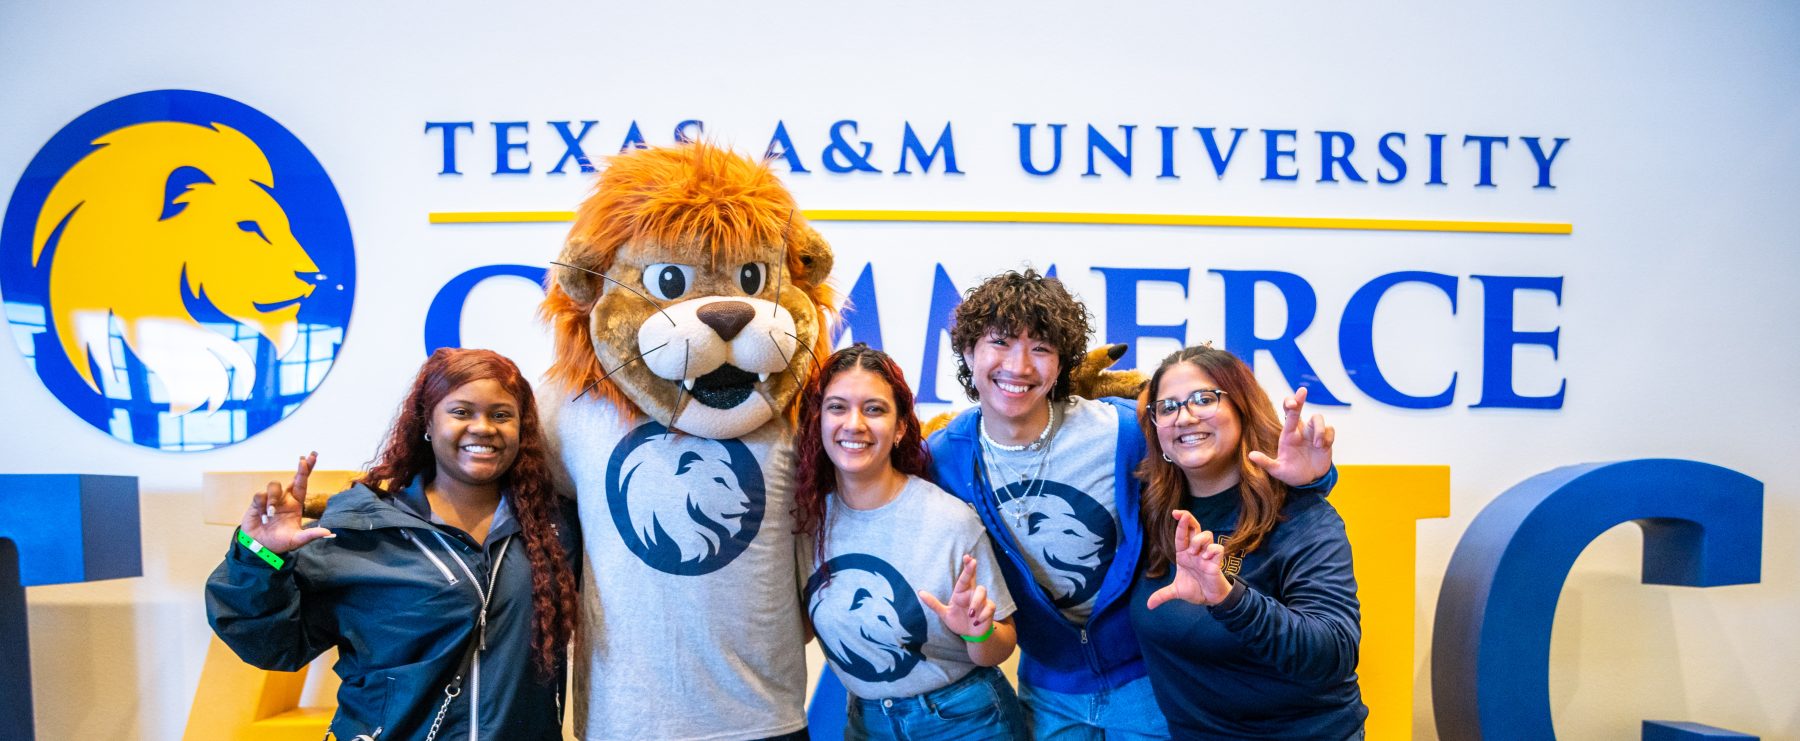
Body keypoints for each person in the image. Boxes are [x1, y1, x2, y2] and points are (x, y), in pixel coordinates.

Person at [926, 268, 1337, 740]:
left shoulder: (1124, 431)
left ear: (1061, 365)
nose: (1019, 367)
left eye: (1040, 348)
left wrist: (1317, 478)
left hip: (1150, 682)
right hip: (1047, 690)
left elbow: (1227, 470)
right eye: (1000, 343)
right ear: (967, 351)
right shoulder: (945, 457)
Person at [206, 348, 581, 741]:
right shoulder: (361, 528)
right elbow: (271, 645)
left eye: (501, 415)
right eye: (461, 412)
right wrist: (260, 555)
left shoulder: (555, 531)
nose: (483, 427)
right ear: (428, 424)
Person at [1129, 345, 1365, 739]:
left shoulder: (1300, 515)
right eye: (1167, 407)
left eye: (1204, 399)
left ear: (1242, 408)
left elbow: (1334, 652)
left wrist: (1228, 598)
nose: (1184, 417)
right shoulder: (1151, 514)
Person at [792, 344, 1027, 740]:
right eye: (837, 407)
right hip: (868, 724)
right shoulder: (806, 523)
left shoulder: (950, 520)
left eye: (874, 409)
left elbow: (999, 647)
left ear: (901, 426)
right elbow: (800, 631)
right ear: (817, 420)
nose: (854, 424)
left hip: (966, 722)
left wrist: (977, 631)